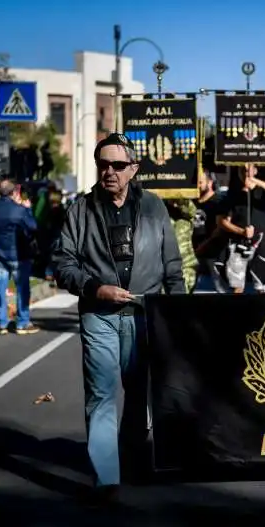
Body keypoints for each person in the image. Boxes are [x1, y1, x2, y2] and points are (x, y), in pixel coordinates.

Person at [52, 133, 185, 502]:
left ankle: (134, 458)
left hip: (146, 314)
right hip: (100, 316)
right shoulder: (80, 210)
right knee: (102, 395)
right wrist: (95, 287)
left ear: (134, 169)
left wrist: (177, 313)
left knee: (140, 395)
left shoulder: (155, 208)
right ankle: (107, 478)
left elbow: (172, 265)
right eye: (103, 164)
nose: (109, 171)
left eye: (118, 165)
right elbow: (62, 263)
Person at [216, 164, 265, 293]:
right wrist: (241, 231)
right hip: (238, 243)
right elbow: (222, 221)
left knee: (262, 285)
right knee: (237, 285)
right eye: (242, 170)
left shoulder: (262, 191)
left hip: (259, 243)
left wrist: (255, 181)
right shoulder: (232, 194)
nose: (246, 173)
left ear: (256, 170)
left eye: (249, 170)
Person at [0, 179, 40, 335]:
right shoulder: (19, 210)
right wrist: (28, 209)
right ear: (14, 192)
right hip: (17, 253)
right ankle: (22, 323)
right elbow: (32, 227)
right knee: (22, 288)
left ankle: (1, 323)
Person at [191, 171, 226, 292]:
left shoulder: (218, 201)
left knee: (220, 287)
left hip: (213, 251)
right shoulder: (193, 201)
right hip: (194, 250)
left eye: (201, 182)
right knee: (190, 285)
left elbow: (220, 228)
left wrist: (205, 245)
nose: (198, 185)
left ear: (210, 182)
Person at [166, 197, 199, 293]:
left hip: (185, 264)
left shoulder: (186, 213)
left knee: (183, 296)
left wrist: (176, 197)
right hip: (163, 265)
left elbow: (191, 210)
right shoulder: (159, 209)